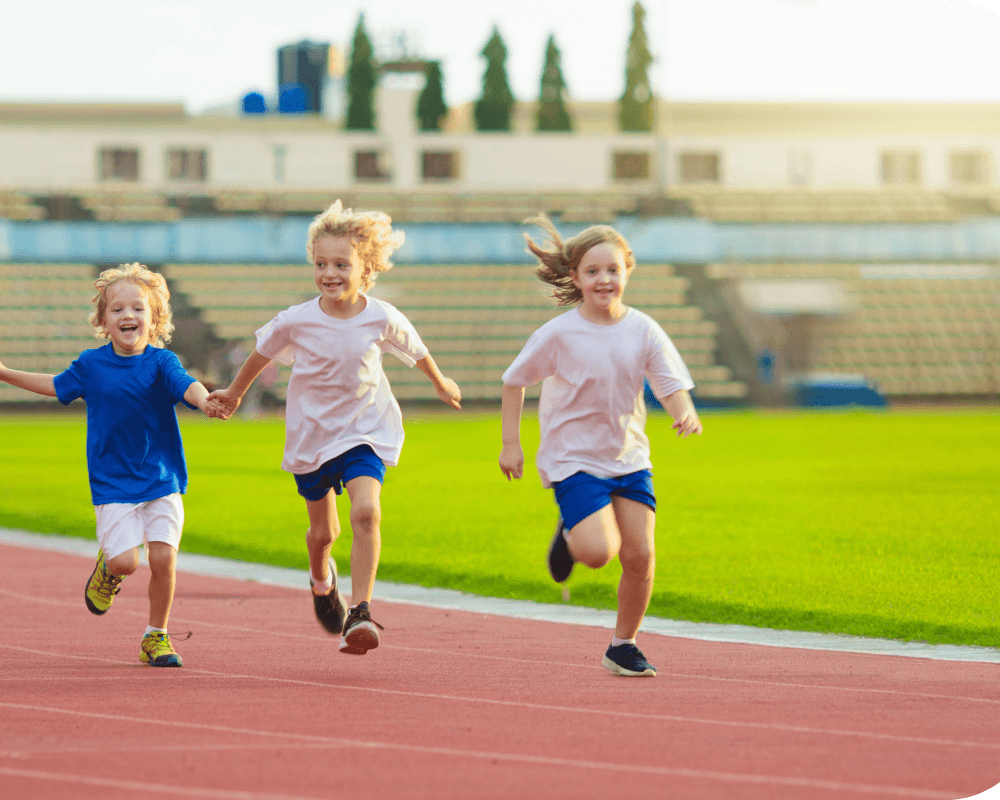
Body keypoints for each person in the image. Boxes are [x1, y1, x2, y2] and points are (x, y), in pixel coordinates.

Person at [206, 200, 461, 655]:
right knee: (324, 534)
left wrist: (441, 383)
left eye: (342, 264)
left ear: (366, 269)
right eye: (321, 263)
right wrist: (235, 393)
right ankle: (322, 580)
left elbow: (415, 349)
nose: (330, 272)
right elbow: (261, 353)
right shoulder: (296, 320)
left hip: (364, 430)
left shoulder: (380, 316)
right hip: (313, 436)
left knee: (367, 513)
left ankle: (360, 612)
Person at [0, 263, 215, 668]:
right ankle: (108, 569)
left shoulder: (162, 362)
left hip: (162, 477)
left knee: (163, 559)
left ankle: (156, 637)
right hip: (113, 482)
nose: (128, 316)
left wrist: (206, 400)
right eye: (118, 309)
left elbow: (187, 386)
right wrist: (3, 374)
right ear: (103, 321)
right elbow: (55, 385)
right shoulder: (91, 365)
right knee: (127, 562)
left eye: (138, 309)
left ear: (154, 318)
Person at [498, 216, 703, 677]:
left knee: (641, 556)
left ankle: (623, 645)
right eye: (592, 272)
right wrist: (512, 443)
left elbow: (669, 383)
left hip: (628, 456)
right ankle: (571, 535)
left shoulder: (644, 329)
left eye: (612, 269)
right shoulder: (558, 333)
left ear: (628, 271)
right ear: (575, 277)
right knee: (598, 553)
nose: (603, 280)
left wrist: (683, 412)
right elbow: (514, 382)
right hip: (573, 459)